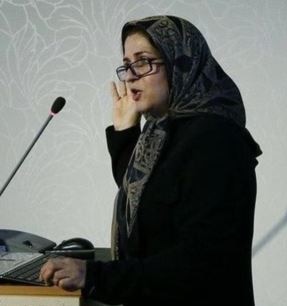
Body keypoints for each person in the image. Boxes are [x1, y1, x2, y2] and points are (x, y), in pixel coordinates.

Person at [39, 15, 261, 306]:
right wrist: (125, 133)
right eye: (127, 65)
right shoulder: (163, 130)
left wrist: (94, 276)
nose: (130, 75)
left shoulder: (216, 140)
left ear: (180, 63)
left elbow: (201, 263)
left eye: (143, 61)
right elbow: (145, 210)